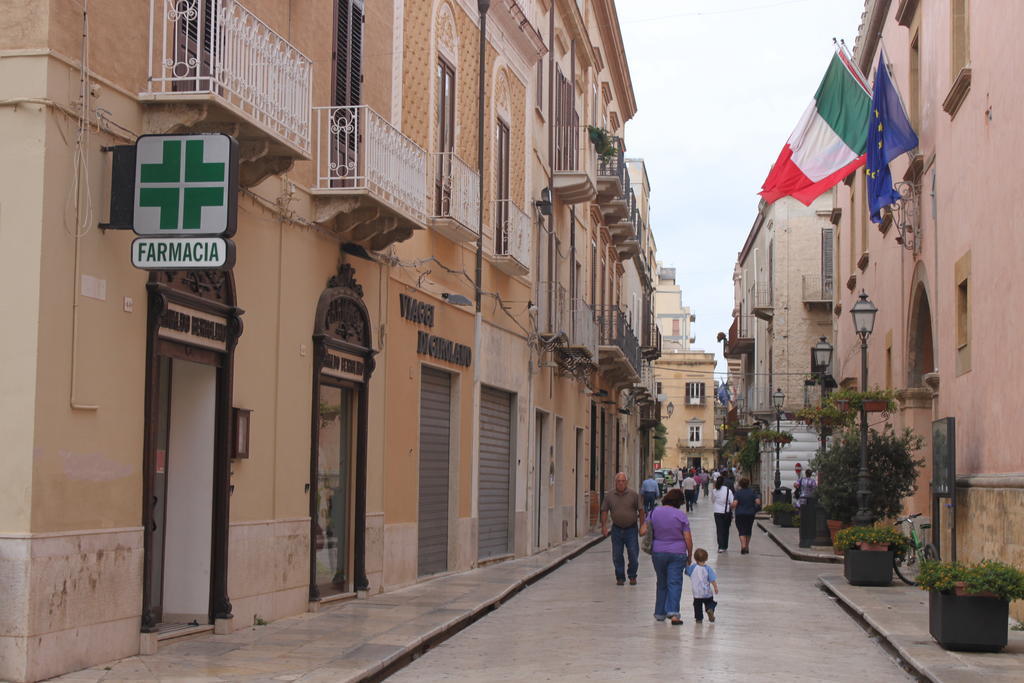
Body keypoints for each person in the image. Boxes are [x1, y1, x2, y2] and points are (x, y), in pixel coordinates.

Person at [646, 488, 693, 625]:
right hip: (677, 553)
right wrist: (689, 556)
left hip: (658, 552)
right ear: (679, 502)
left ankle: (660, 613)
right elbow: (688, 538)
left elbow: (643, 530)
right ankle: (673, 614)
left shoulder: (654, 512)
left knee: (661, 582)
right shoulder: (681, 515)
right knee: (674, 583)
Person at [601, 472, 645, 586]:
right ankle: (620, 577)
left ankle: (632, 575)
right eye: (618, 481)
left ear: (626, 482)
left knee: (633, 554)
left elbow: (641, 510)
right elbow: (605, 510)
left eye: (623, 481)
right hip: (616, 530)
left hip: (631, 529)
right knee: (617, 555)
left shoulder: (633, 495)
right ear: (615, 482)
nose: (620, 483)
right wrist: (604, 526)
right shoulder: (610, 495)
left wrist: (642, 526)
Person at [685, 548, 719, 622]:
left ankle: (699, 618)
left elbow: (687, 572)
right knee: (710, 602)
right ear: (706, 558)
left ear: (695, 558)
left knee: (697, 606)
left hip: (697, 593)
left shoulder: (693, 567)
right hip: (707, 593)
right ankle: (710, 609)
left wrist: (687, 563)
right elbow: (712, 579)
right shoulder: (708, 569)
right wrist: (715, 587)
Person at [731, 478, 761, 555]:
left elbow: (735, 504)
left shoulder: (738, 493)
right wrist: (754, 509)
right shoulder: (753, 492)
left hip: (740, 514)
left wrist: (730, 506)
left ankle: (743, 546)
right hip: (750, 514)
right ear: (748, 484)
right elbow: (758, 502)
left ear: (740, 484)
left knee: (741, 531)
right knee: (748, 530)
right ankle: (747, 547)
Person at [711, 475, 734, 553]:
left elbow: (713, 501)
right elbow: (732, 502)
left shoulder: (714, 490)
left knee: (719, 529)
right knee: (726, 529)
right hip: (726, 512)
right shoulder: (728, 490)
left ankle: (720, 546)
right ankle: (725, 545)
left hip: (717, 512)